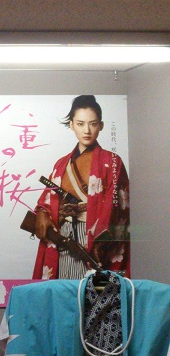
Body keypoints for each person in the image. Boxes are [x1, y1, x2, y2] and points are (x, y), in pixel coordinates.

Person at [31, 95, 130, 279]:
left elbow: (116, 207)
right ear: (71, 125)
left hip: (95, 239)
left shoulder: (112, 162)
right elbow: (47, 200)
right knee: (64, 288)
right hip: (63, 236)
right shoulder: (61, 164)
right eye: (80, 124)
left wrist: (101, 242)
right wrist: (43, 213)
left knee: (94, 290)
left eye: (93, 124)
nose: (87, 130)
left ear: (101, 125)